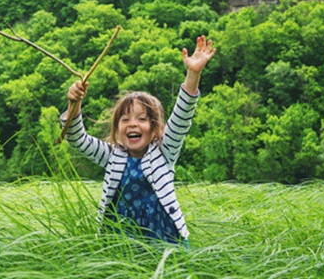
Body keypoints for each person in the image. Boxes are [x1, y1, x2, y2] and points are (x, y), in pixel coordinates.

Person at [61, 36, 216, 245]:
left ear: (155, 129)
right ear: (117, 129)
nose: (132, 124)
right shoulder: (111, 155)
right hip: (120, 239)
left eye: (142, 119)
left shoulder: (164, 152)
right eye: (125, 120)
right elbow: (77, 139)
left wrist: (193, 74)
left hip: (164, 238)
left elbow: (182, 117)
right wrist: (74, 104)